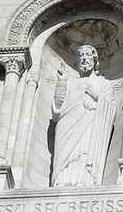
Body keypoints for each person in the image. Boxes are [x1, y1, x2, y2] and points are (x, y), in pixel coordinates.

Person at [50, 44, 117, 187]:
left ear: (94, 60)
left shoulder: (103, 83)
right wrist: (61, 83)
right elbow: (58, 109)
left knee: (83, 153)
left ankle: (84, 180)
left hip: (89, 125)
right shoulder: (70, 82)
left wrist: (97, 95)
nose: (84, 59)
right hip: (67, 125)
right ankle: (61, 181)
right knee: (65, 157)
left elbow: (111, 110)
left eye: (87, 55)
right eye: (81, 56)